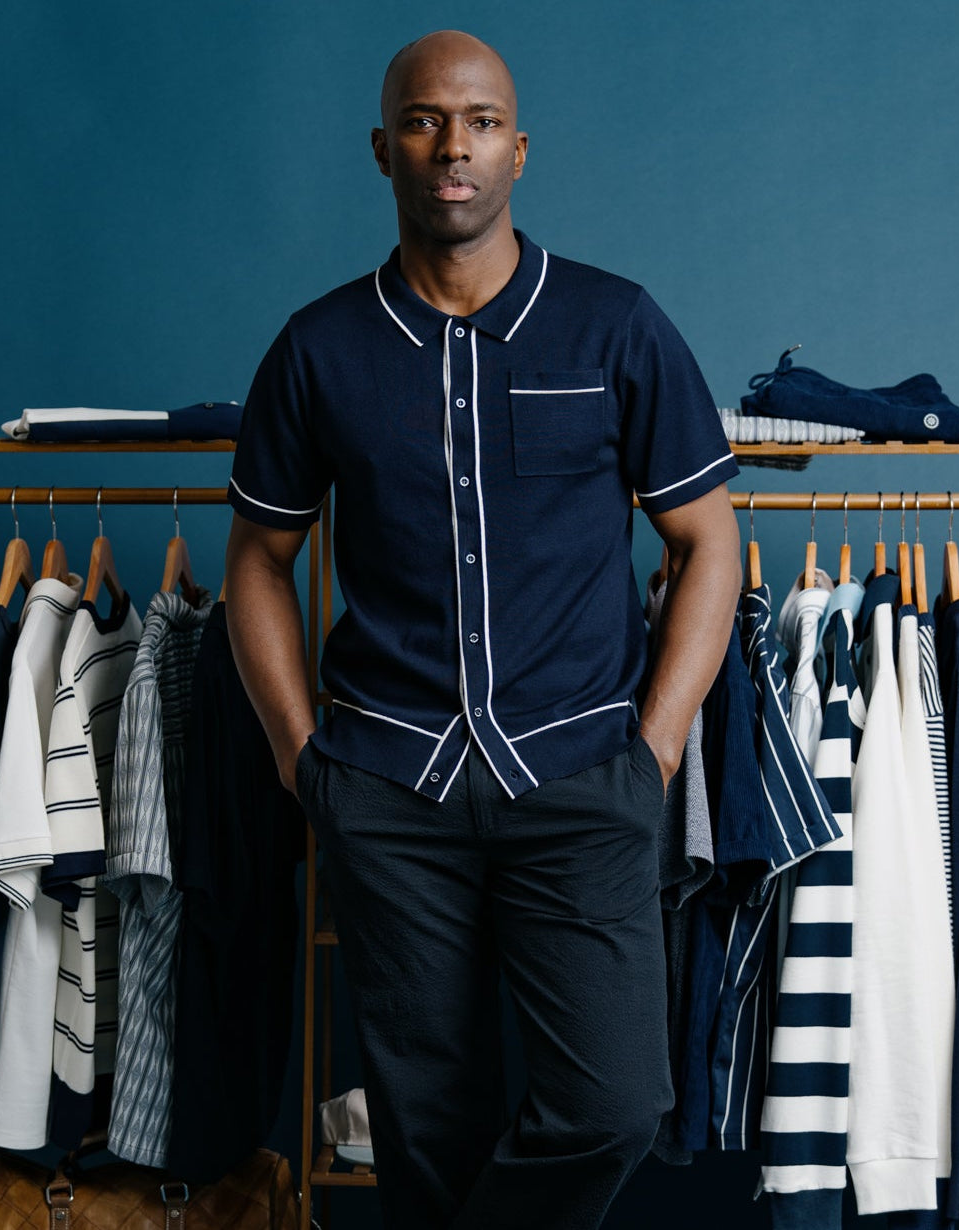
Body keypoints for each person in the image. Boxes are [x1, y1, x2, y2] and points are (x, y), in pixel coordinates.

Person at [224, 29, 741, 1230]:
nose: (452, 145)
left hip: (580, 779)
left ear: (520, 147)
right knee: (426, 1132)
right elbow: (259, 560)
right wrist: (303, 761)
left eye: (480, 120)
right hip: (389, 788)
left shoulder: (615, 326)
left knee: (614, 1102)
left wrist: (654, 750)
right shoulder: (318, 349)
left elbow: (709, 542)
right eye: (422, 120)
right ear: (382, 149)